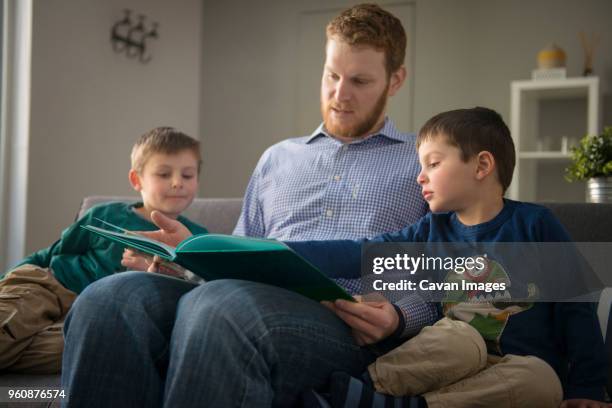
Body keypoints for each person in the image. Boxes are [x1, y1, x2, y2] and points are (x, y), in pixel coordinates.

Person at [300, 107, 608, 408]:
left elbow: (577, 304)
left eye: (432, 164)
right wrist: (281, 251)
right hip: (451, 361)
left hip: (510, 377)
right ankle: (361, 389)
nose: (420, 177)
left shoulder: (536, 225)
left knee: (542, 380)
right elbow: (361, 253)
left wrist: (587, 386)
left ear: (481, 166)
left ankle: (407, 404)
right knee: (462, 338)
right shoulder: (430, 231)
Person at [0, 127, 208, 374]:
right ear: (136, 179)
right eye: (164, 174)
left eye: (187, 175)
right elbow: (53, 253)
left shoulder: (198, 239)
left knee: (97, 349)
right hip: (50, 286)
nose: (177, 183)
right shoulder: (105, 215)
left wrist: (154, 273)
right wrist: (8, 279)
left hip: (96, 315)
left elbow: (196, 289)